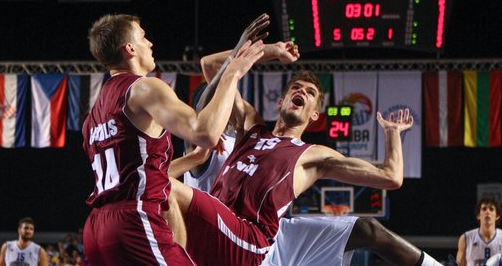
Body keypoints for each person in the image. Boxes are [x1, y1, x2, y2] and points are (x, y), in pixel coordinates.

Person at [169, 37, 442, 265]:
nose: (301, 91)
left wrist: (392, 135)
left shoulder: (312, 155)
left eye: (310, 93)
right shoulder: (251, 127)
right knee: (169, 192)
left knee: (367, 229)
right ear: (281, 101)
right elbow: (212, 66)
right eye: (296, 88)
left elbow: (391, 177)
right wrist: (272, 51)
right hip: (219, 230)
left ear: (314, 115)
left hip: (251, 241)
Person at [80, 13, 268, 265]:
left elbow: (135, 175)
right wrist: (232, 74)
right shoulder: (143, 88)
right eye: (144, 37)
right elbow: (206, 131)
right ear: (130, 48)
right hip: (134, 220)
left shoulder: (93, 115)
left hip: (96, 230)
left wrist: (194, 158)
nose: (150, 44)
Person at [457, 198, 502, 266]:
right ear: (478, 215)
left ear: (497, 216)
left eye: (491, 209)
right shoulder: (466, 238)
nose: (487, 212)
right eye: (484, 209)